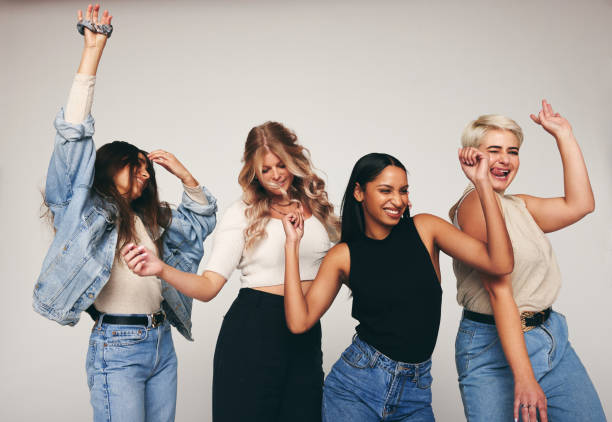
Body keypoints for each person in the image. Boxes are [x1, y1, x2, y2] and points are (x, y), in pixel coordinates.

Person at [32, 5, 217, 421]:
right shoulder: (80, 209)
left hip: (160, 342)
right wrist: (93, 51)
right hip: (117, 345)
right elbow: (73, 136)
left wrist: (185, 175)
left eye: (147, 168)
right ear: (108, 165)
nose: (145, 172)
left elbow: (203, 221)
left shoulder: (150, 221)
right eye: (135, 164)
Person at [123, 121, 340, 421]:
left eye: (282, 165)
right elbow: (210, 286)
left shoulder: (317, 208)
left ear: (294, 161)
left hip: (305, 332)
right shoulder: (243, 213)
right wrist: (161, 269)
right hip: (254, 331)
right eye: (266, 170)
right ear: (254, 172)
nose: (276, 175)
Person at [280, 150, 514, 421]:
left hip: (416, 391)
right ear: (359, 192)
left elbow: (500, 263)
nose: (397, 200)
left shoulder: (426, 229)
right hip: (356, 388)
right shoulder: (343, 256)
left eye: (403, 191)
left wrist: (482, 184)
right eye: (385, 190)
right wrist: (291, 245)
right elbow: (299, 322)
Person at [449, 101, 606, 422]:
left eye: (513, 151)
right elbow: (498, 291)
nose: (505, 159)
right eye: (494, 150)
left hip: (549, 338)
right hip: (493, 348)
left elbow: (580, 204)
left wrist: (564, 135)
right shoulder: (473, 206)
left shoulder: (517, 206)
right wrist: (524, 377)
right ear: (471, 155)